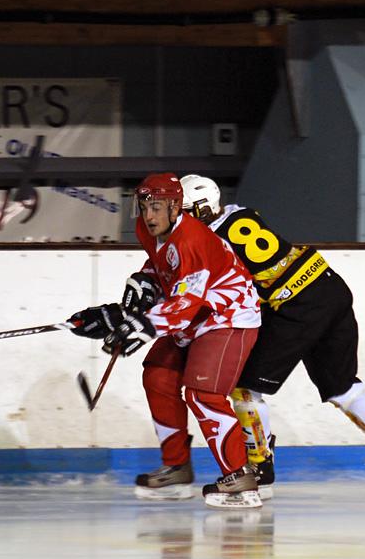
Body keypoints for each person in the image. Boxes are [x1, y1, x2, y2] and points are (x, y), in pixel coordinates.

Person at [179, 174, 365, 502]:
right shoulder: (243, 213)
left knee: (243, 388)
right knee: (345, 389)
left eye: (183, 211)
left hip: (296, 305)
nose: (179, 218)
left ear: (200, 209)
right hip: (329, 286)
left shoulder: (209, 241)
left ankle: (259, 468)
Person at [69, 172, 264, 509]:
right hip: (195, 316)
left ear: (177, 208)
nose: (149, 215)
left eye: (157, 207)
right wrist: (139, 287)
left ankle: (240, 476)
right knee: (158, 374)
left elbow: (185, 305)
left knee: (203, 392)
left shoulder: (194, 240)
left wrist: (139, 325)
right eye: (144, 206)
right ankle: (177, 467)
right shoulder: (150, 230)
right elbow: (162, 267)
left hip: (227, 316)